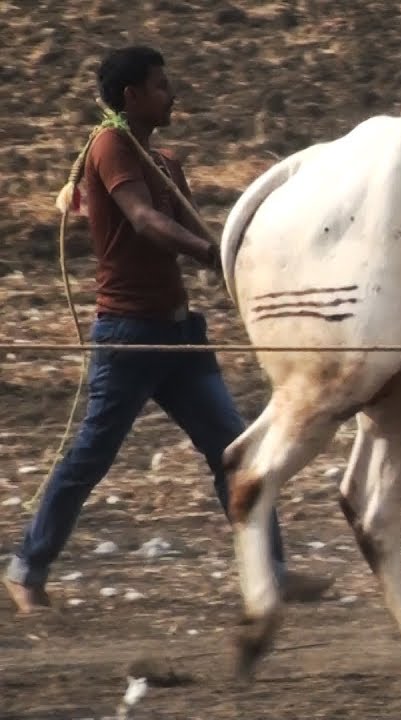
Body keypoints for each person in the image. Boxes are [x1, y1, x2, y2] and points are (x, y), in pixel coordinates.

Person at [4, 45, 333, 613]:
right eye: (161, 85)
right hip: (130, 335)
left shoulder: (165, 164)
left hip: (179, 335)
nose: (172, 94)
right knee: (90, 457)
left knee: (235, 452)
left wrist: (247, 251)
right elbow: (147, 223)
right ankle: (27, 569)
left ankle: (271, 572)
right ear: (132, 97)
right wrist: (217, 255)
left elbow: (190, 230)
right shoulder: (110, 148)